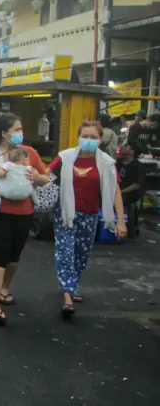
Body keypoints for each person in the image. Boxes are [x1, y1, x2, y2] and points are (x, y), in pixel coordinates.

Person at [0, 113, 48, 326]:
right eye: (16, 130)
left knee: (13, 256)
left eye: (21, 129)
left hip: (24, 213)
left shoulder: (29, 153)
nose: (20, 134)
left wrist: (37, 178)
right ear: (4, 133)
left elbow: (45, 179)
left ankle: (5, 287)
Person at [49, 121, 126, 316]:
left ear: (100, 140)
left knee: (81, 256)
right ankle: (67, 295)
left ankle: (71, 285)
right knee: (65, 252)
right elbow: (46, 176)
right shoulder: (65, 158)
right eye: (85, 136)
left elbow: (115, 191)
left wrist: (120, 221)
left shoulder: (107, 163)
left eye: (93, 137)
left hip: (90, 215)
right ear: (78, 137)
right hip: (65, 213)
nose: (89, 140)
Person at [0, 147, 39, 215]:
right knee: (31, 188)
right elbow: (34, 175)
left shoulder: (8, 165)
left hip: (10, 192)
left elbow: (0, 174)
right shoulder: (28, 168)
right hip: (26, 193)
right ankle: (37, 201)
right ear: (24, 160)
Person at [117, 141, 145, 237]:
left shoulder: (138, 166)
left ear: (132, 152)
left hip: (131, 193)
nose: (122, 147)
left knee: (122, 200)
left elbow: (135, 185)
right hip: (118, 190)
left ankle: (127, 227)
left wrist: (120, 192)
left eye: (126, 146)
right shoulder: (118, 162)